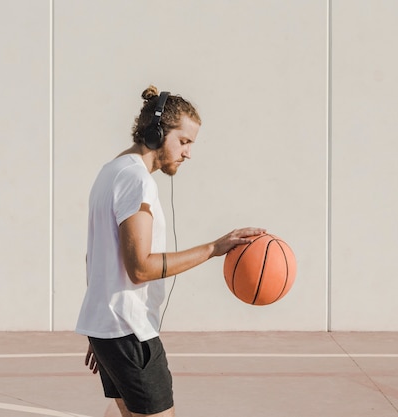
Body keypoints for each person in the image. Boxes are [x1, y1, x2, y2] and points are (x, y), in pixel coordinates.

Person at [76, 85, 264, 417]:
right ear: (157, 132)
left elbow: (96, 259)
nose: (188, 152)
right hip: (129, 331)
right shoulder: (137, 180)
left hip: (110, 329)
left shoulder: (111, 171)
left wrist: (99, 329)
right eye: (184, 141)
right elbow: (140, 268)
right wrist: (213, 248)